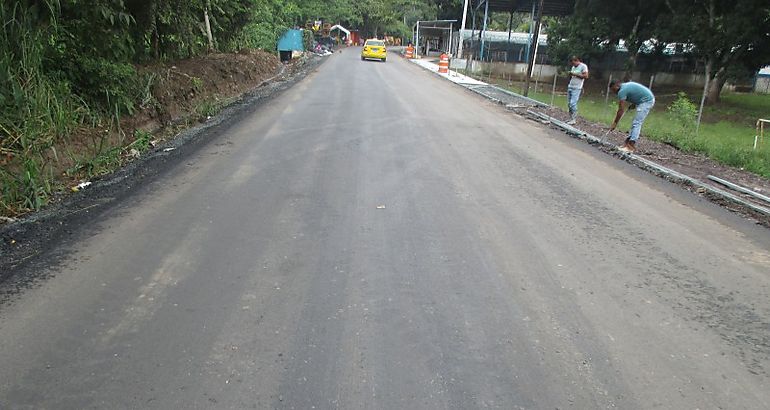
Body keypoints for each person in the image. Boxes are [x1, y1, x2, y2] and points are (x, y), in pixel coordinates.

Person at [609, 80, 655, 153]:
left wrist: (615, 123)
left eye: (614, 90)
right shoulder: (624, 86)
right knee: (635, 122)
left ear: (617, 85)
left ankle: (631, 146)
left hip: (646, 101)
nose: (615, 93)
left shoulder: (622, 91)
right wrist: (634, 103)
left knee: (637, 123)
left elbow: (620, 110)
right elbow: (635, 93)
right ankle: (627, 143)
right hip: (643, 100)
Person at [567, 56, 589, 125]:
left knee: (573, 103)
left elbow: (586, 76)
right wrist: (570, 75)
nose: (573, 65)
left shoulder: (583, 66)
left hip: (577, 88)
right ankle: (570, 118)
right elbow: (572, 76)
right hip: (570, 86)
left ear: (577, 61)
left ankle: (574, 119)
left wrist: (575, 74)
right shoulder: (573, 67)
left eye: (574, 63)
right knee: (569, 104)